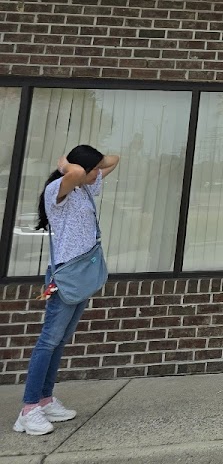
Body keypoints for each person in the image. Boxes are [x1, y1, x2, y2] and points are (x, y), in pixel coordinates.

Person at [13, 144, 119, 436]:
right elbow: (74, 171)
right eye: (92, 168)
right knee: (48, 341)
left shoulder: (84, 188)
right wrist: (66, 165)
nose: (99, 173)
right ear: (80, 169)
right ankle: (28, 408)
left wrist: (88, 165)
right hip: (65, 276)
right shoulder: (59, 191)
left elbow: (114, 160)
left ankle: (46, 400)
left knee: (60, 341)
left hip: (81, 274)